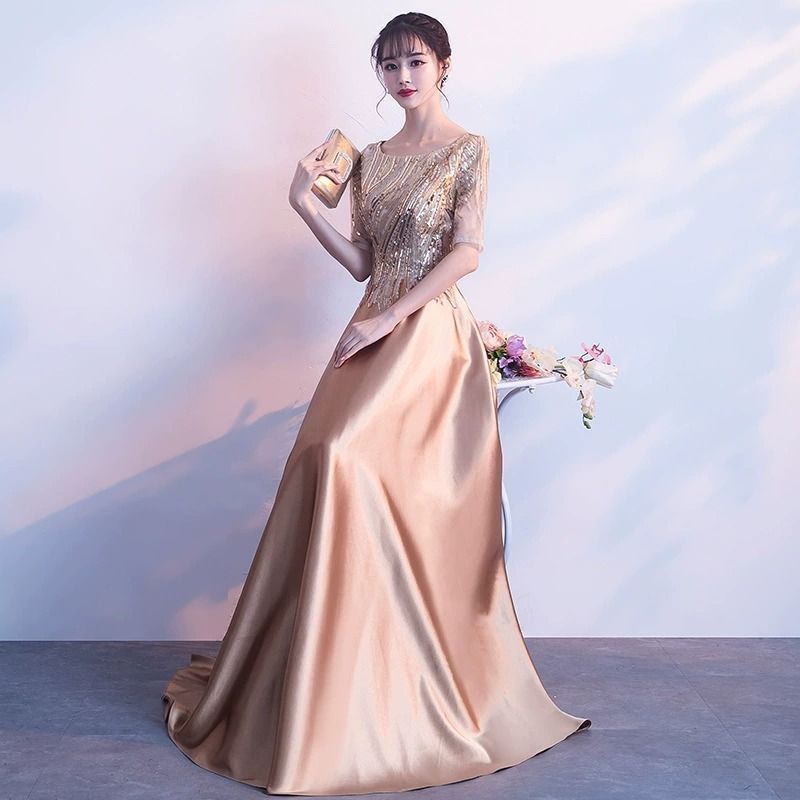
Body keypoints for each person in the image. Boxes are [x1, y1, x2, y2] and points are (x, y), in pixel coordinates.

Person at [161, 11, 591, 796]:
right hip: (372, 326)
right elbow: (364, 261)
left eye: (415, 61)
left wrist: (392, 317)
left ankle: (397, 678)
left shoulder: (469, 149)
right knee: (323, 462)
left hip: (427, 334)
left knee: (348, 457)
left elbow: (467, 252)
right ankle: (330, 670)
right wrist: (305, 205)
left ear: (444, 65)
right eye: (389, 64)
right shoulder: (369, 159)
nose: (402, 77)